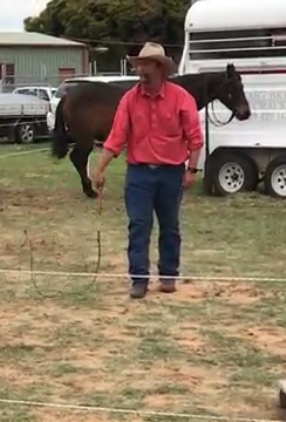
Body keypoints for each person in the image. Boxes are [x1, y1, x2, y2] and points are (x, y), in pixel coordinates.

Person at [92, 42, 204, 299]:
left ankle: (168, 274)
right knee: (139, 225)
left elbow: (194, 138)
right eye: (139, 64)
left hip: (171, 172)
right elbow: (115, 138)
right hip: (139, 173)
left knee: (170, 226)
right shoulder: (129, 99)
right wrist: (99, 170)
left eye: (146, 64)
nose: (141, 70)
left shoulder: (181, 99)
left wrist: (192, 170)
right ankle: (139, 279)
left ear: (160, 68)